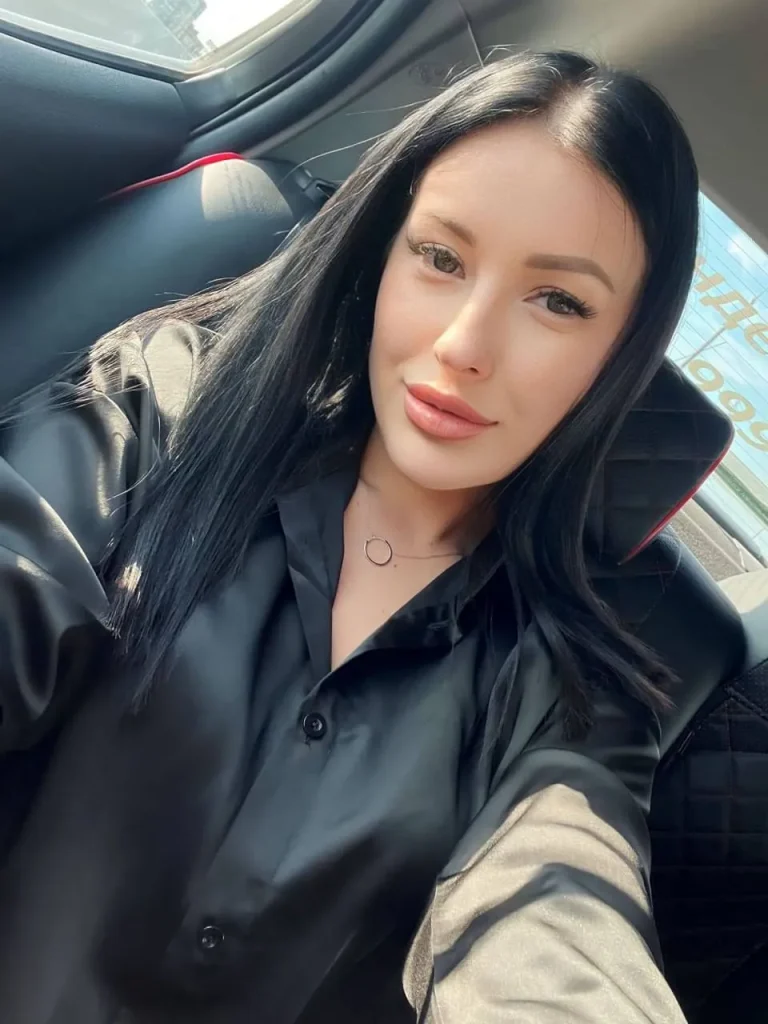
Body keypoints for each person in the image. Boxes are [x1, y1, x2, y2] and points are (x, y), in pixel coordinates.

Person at [0, 50, 696, 1023]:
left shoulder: (574, 697)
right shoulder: (169, 406)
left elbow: (559, 914)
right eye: (441, 257)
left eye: (559, 301)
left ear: (618, 358)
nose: (463, 345)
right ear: (383, 250)